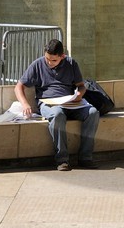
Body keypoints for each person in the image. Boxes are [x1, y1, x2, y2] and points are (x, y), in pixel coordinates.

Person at [15, 38, 99, 171]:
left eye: (53, 60)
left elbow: (81, 86)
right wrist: (25, 104)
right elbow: (19, 86)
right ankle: (62, 159)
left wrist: (79, 95)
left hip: (70, 103)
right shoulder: (37, 64)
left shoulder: (71, 63)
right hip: (48, 103)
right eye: (47, 59)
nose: (49, 62)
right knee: (58, 114)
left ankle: (85, 157)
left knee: (93, 113)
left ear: (62, 56)